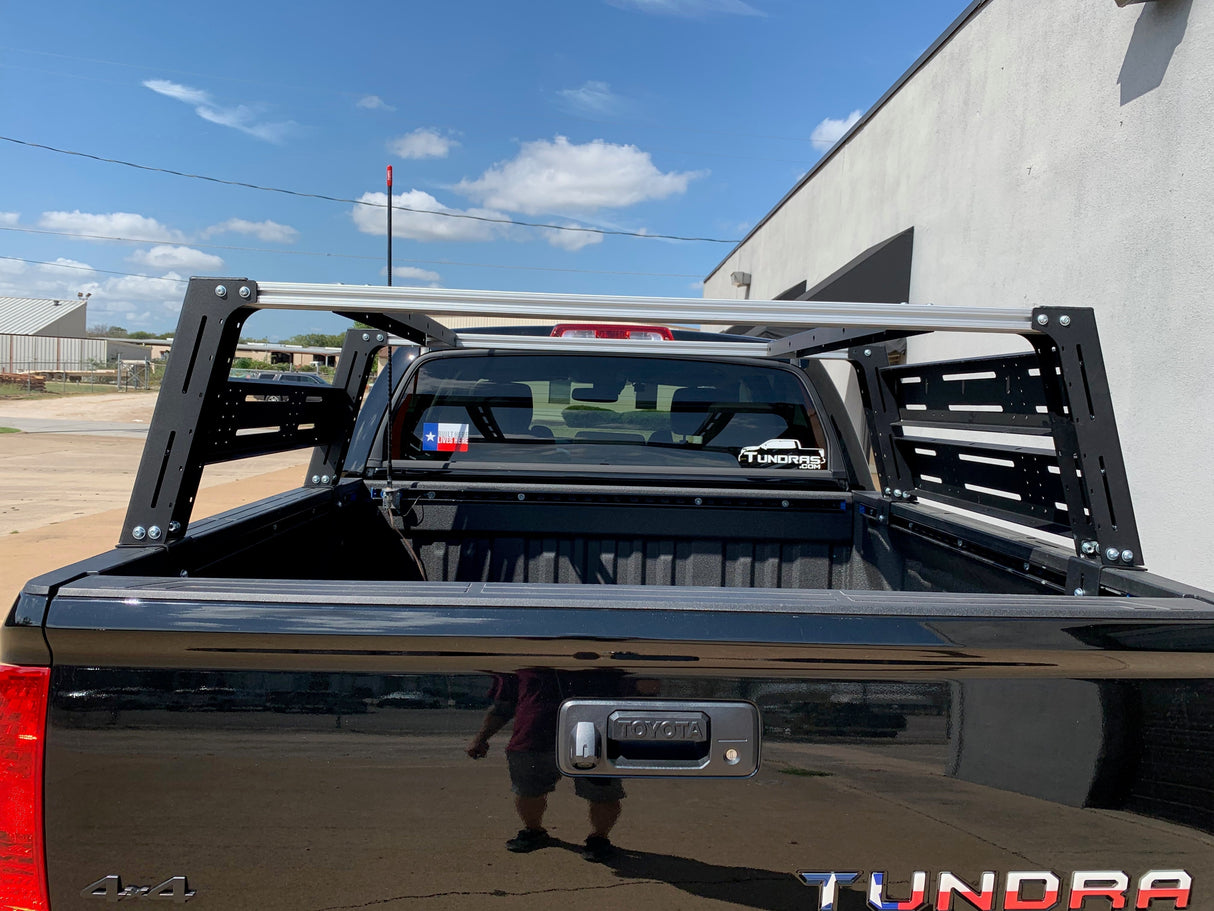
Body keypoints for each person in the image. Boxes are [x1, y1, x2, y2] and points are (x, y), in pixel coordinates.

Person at [466, 670, 625, 862]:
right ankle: (534, 831)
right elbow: (502, 707)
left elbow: (632, 697)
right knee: (528, 792)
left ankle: (599, 839)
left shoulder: (599, 659)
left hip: (592, 737)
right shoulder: (521, 664)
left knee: (603, 794)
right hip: (532, 738)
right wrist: (480, 738)